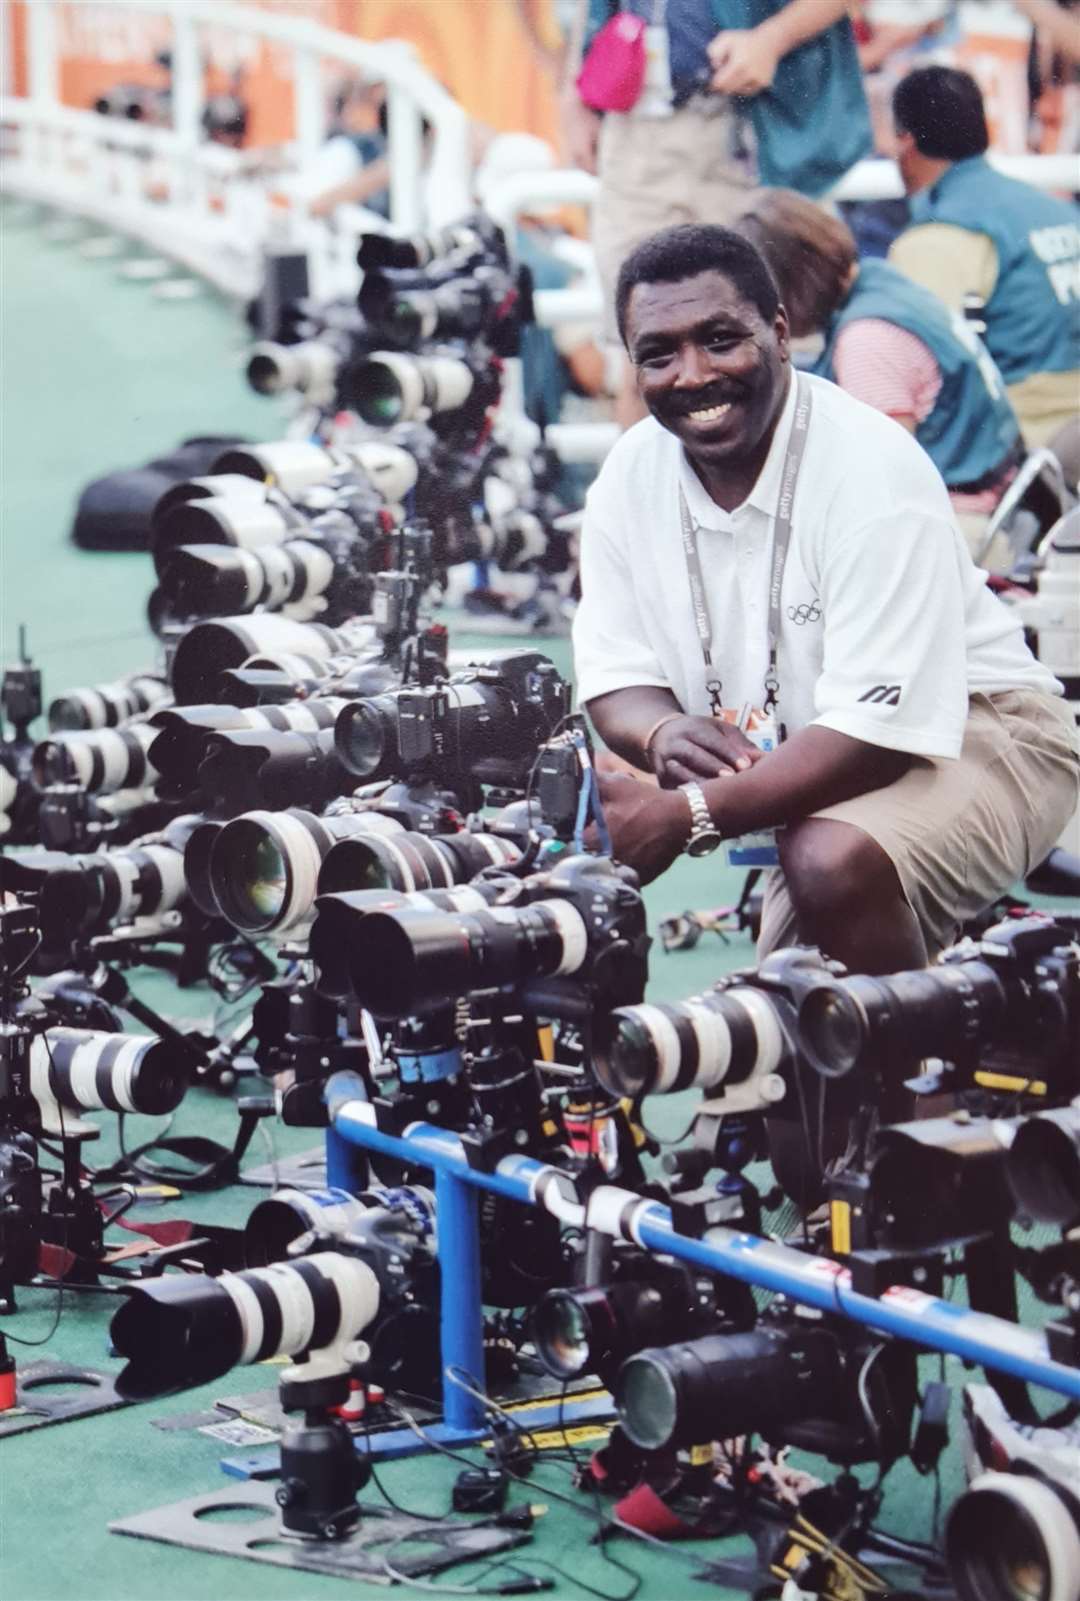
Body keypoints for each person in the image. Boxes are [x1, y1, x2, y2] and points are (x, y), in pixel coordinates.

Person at [571, 224, 1079, 984]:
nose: (694, 374)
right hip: (814, 757)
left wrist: (689, 814)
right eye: (659, 353)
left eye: (719, 339)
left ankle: (915, 1086)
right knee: (783, 1024)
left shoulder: (870, 468)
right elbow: (615, 676)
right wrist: (663, 730)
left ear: (779, 333)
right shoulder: (627, 476)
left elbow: (880, 738)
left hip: (986, 727)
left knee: (829, 865)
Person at [562, 0, 873, 427]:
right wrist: (575, 93)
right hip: (635, 123)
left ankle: (776, 493)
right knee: (641, 351)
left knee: (769, 349)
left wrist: (771, 39)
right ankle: (652, 494)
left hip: (749, 123)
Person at [734, 188, 1023, 548]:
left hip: (958, 523)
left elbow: (882, 482)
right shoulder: (881, 280)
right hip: (991, 487)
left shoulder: (867, 341)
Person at [887, 65, 1080, 449]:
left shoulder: (937, 237)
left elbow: (921, 371)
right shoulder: (1058, 211)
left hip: (1031, 440)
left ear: (906, 143)